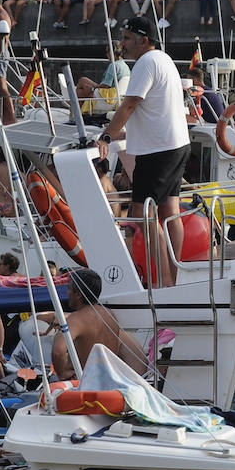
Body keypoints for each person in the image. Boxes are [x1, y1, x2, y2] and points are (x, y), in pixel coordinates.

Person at [100, 15, 190, 287]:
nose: (122, 44)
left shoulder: (145, 63)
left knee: (143, 213)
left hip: (158, 152)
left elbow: (129, 106)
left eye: (127, 38)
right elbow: (153, 111)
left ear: (144, 40)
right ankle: (176, 276)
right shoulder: (164, 59)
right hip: (177, 146)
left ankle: (163, 281)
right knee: (169, 211)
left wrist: (106, 136)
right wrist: (122, 133)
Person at [42, 267, 148, 380]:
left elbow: (58, 351)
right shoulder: (110, 315)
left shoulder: (76, 319)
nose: (67, 293)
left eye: (68, 288)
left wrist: (62, 374)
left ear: (78, 294)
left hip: (87, 382)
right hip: (108, 380)